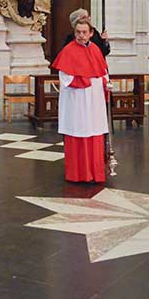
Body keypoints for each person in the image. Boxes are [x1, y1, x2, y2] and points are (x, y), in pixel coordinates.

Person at [52, 17, 109, 183]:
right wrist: (87, 80)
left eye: (84, 32)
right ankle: (79, 174)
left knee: (95, 132)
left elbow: (103, 72)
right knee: (79, 131)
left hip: (94, 101)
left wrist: (105, 83)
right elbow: (66, 78)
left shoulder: (96, 50)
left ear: (91, 33)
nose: (81, 35)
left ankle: (95, 173)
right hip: (77, 101)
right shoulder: (68, 51)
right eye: (78, 32)